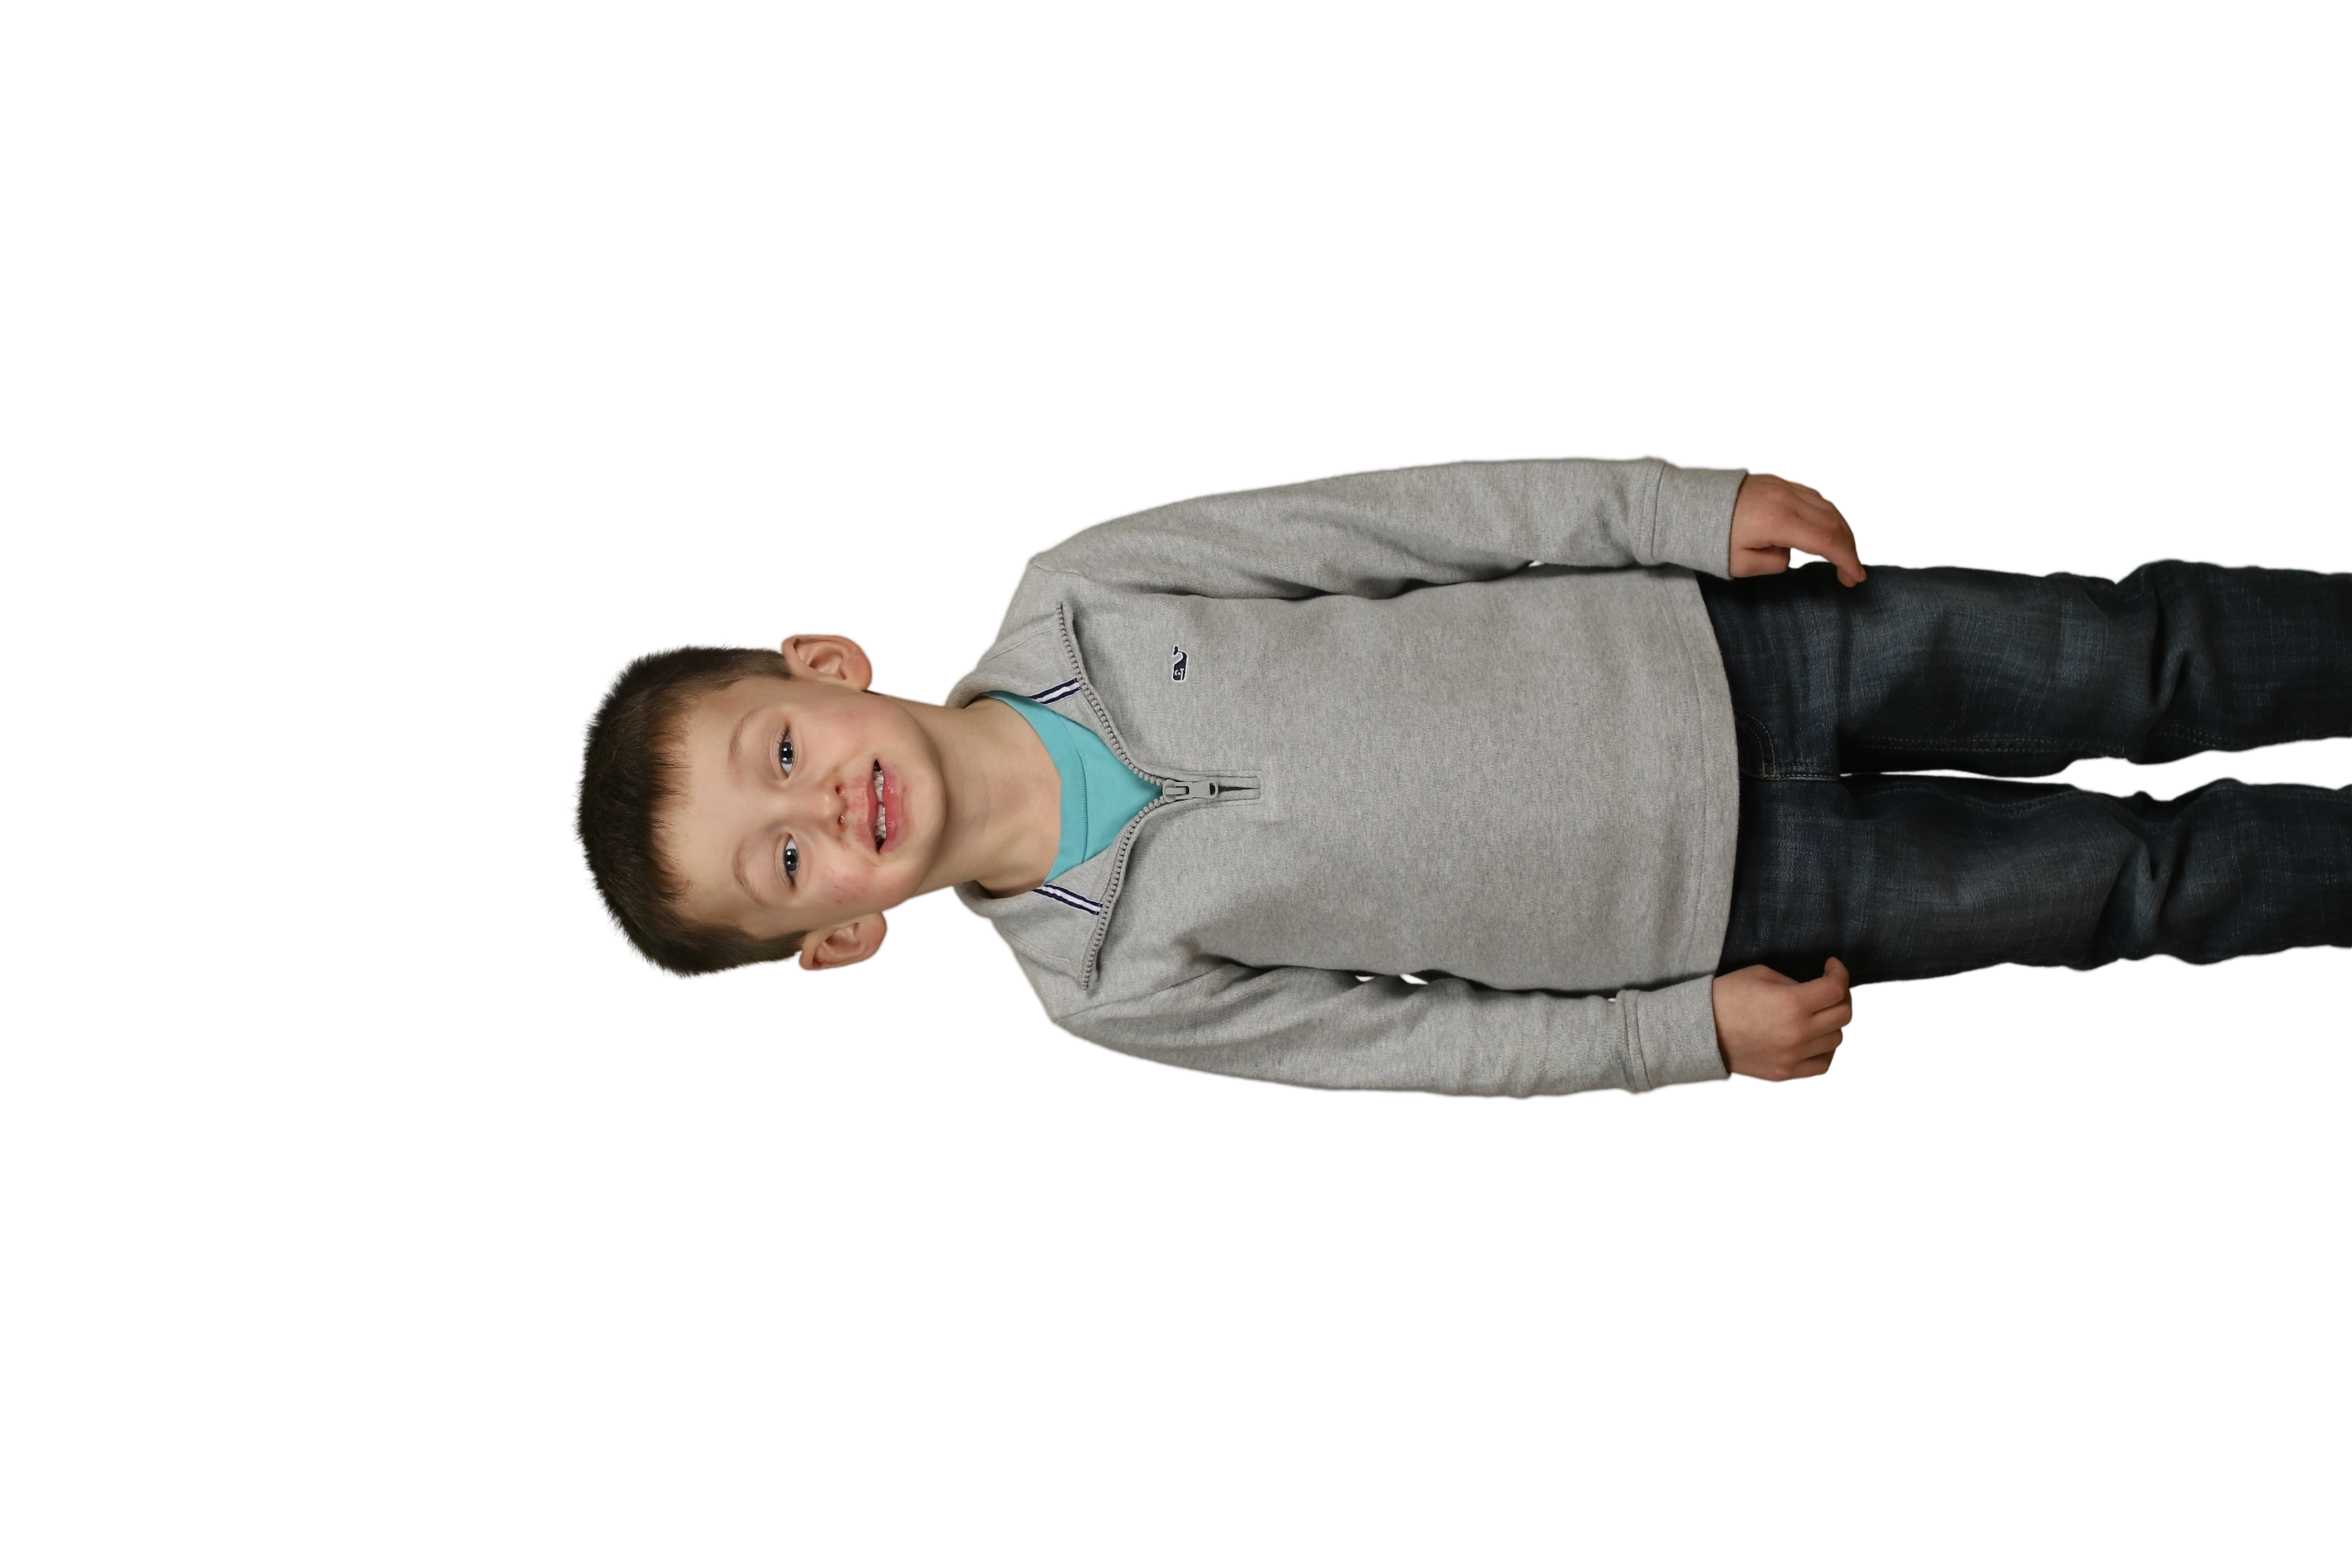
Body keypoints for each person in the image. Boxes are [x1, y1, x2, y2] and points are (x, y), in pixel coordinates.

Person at [564, 453, 2352, 1099]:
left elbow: (1406, 526)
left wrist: (1674, 510)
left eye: (776, 755)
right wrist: (1679, 1036)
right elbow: (1423, 1043)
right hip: (1750, 906)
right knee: (2136, 890)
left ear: (822, 667)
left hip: (1742, 646)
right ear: (841, 942)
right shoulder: (1109, 990)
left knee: (2135, 658)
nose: (819, 808)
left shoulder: (1088, 593)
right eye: (782, 863)